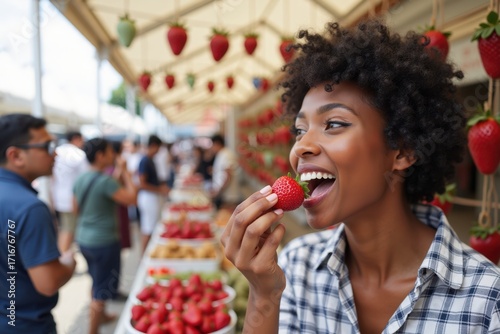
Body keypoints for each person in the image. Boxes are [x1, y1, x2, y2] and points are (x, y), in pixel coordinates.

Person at [221, 20, 500, 333]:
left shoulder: (488, 300)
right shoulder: (296, 265)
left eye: (335, 124)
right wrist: (263, 296)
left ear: (402, 151)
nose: (301, 147)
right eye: (300, 130)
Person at [0, 114, 76, 334]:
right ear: (16, 156)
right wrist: (69, 262)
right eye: (47, 146)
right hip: (24, 324)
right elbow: (48, 282)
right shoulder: (29, 208)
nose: (55, 153)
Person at [73, 138, 137, 334]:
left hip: (84, 239)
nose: (114, 156)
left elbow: (75, 209)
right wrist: (125, 171)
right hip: (104, 242)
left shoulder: (82, 178)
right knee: (101, 289)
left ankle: (102, 315)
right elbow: (132, 198)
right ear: (100, 156)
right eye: (110, 152)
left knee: (96, 280)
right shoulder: (105, 182)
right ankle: (93, 330)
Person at [51, 130, 89, 253]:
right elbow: (86, 178)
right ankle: (62, 256)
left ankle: (65, 255)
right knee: (68, 229)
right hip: (72, 199)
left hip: (58, 198)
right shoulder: (79, 154)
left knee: (66, 228)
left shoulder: (57, 152)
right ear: (76, 139)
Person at [137, 135, 170, 253]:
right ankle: (144, 255)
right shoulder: (145, 160)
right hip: (148, 197)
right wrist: (159, 189)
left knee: (151, 226)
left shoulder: (150, 160)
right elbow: (142, 183)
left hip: (152, 196)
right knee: (148, 228)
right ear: (153, 146)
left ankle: (147, 253)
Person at [210, 134, 240, 211]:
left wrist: (219, 191)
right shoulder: (222, 154)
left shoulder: (226, 154)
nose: (211, 148)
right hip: (223, 194)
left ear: (217, 143)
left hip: (228, 196)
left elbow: (228, 175)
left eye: (212, 145)